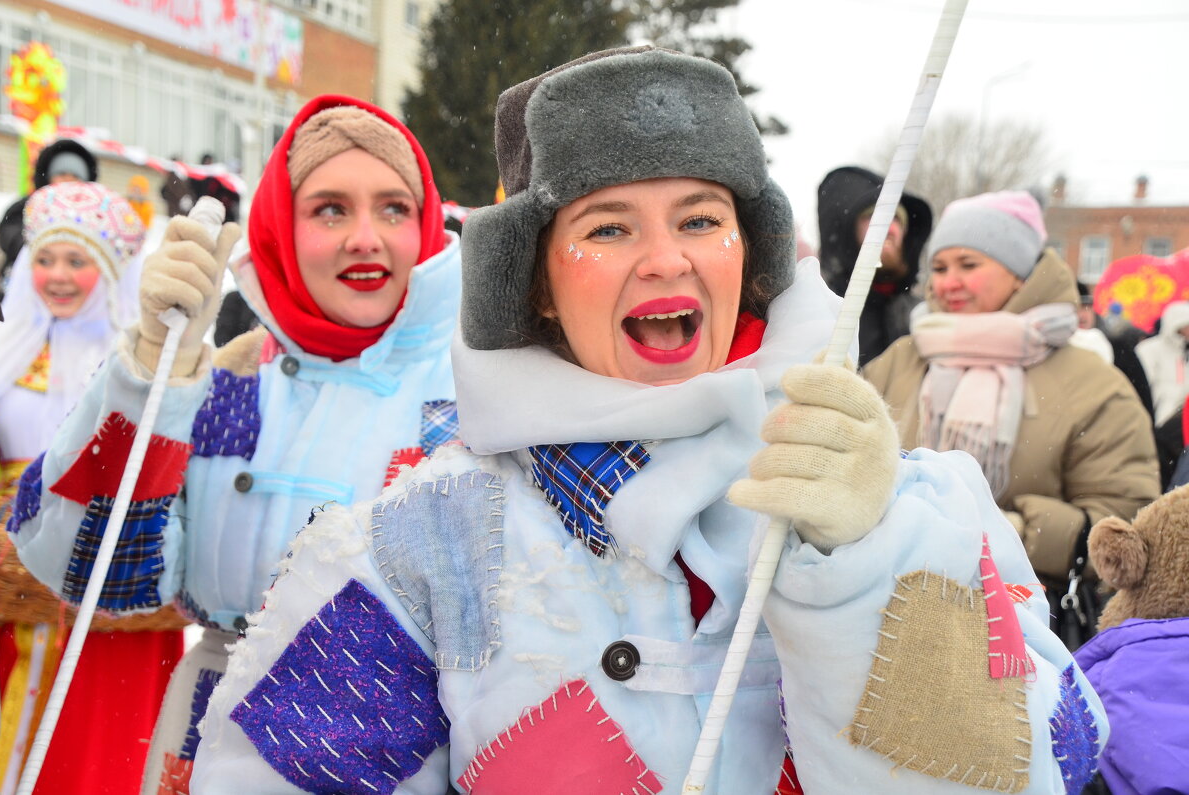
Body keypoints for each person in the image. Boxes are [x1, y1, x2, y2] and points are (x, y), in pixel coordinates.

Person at [195, 48, 1105, 794]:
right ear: (537, 285)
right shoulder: (424, 543)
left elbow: (1050, 762)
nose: (666, 259)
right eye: (609, 227)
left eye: (701, 219)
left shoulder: (905, 499)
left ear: (750, 254)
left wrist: (872, 564)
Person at [8, 95, 462, 792]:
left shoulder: (471, 396)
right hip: (203, 743)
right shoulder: (232, 379)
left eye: (393, 209)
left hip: (405, 762)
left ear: (425, 225)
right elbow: (94, 568)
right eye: (330, 210)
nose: (365, 237)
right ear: (282, 229)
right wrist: (152, 373)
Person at [863, 191, 1160, 646]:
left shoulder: (1094, 384)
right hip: (884, 615)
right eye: (939, 268)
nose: (948, 282)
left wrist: (1005, 531)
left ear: (1022, 275)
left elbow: (1125, 526)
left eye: (968, 264)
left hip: (1023, 631)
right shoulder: (901, 359)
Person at [0, 181, 185, 794]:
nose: (58, 276)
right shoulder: (4, 349)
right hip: (9, 577)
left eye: (77, 261)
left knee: (96, 749)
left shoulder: (139, 360)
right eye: (45, 259)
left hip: (110, 581)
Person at [817, 165, 933, 365]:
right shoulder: (823, 314)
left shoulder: (924, 316)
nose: (890, 229)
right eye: (874, 217)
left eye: (897, 218)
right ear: (845, 232)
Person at [0, 139, 98, 288]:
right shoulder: (28, 206)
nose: (68, 180)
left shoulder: (94, 215)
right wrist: (43, 251)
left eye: (75, 176)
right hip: (22, 281)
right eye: (62, 174)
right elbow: (10, 236)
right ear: (49, 176)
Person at [1075, 281, 1153, 416]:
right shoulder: (1053, 352)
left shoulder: (1118, 348)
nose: (1082, 315)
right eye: (1075, 309)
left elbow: (1141, 396)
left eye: (1086, 307)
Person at [1136, 300, 1189, 427]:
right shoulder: (1150, 349)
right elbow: (1141, 382)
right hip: (1159, 417)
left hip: (1183, 418)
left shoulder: (1185, 350)